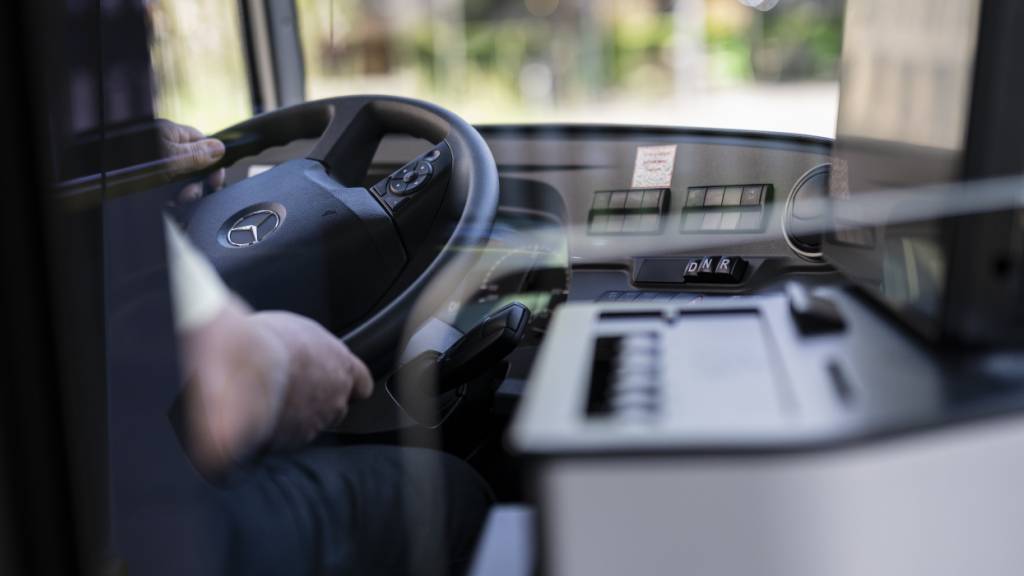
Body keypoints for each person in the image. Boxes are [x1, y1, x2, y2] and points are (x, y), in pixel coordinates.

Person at [159, 120, 493, 575]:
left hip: (121, 474)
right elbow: (234, 396)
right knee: (455, 495)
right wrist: (285, 350)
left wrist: (116, 167)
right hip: (165, 528)